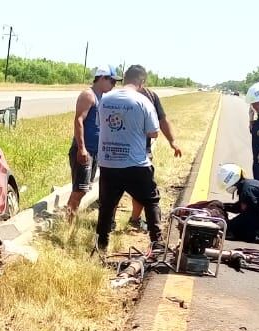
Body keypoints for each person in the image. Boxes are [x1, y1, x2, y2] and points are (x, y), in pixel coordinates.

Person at [95, 64, 162, 252]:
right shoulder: (143, 102)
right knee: (151, 200)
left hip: (108, 163)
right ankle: (157, 243)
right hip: (135, 164)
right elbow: (153, 133)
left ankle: (102, 245)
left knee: (107, 205)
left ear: (124, 79)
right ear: (141, 82)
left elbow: (101, 124)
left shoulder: (105, 99)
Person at [124, 85, 183, 230]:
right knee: (140, 187)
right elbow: (160, 123)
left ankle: (134, 219)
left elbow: (162, 121)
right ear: (142, 81)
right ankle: (127, 220)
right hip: (135, 151)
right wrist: (172, 142)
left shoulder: (147, 96)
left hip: (127, 150)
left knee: (134, 187)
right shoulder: (146, 96)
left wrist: (172, 142)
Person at [66, 67, 117, 217]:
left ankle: (69, 220)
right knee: (79, 190)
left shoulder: (102, 97)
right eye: (112, 81)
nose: (114, 85)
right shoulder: (88, 96)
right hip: (85, 150)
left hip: (95, 151)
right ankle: (67, 224)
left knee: (84, 189)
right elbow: (78, 120)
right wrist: (82, 148)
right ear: (102, 78)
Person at [214, 163, 259, 243]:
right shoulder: (248, 184)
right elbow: (242, 207)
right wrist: (223, 206)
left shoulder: (246, 190)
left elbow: (248, 212)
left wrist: (231, 225)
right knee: (235, 225)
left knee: (236, 231)